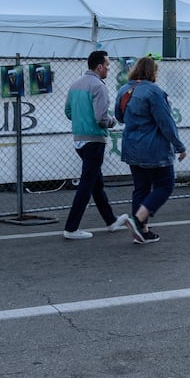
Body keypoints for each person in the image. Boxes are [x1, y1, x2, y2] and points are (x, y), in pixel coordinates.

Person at [114, 56, 187, 245]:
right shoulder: (154, 92)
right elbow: (166, 122)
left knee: (141, 187)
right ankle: (138, 220)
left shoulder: (124, 90)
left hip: (131, 146)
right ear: (153, 72)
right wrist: (179, 146)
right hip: (153, 148)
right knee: (165, 185)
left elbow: (119, 117)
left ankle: (143, 232)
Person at [61, 50, 122, 239]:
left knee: (95, 181)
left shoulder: (75, 85)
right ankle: (71, 228)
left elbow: (68, 112)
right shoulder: (99, 86)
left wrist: (82, 119)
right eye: (108, 65)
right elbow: (101, 118)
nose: (109, 69)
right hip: (94, 140)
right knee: (88, 184)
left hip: (79, 139)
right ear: (100, 66)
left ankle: (111, 220)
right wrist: (113, 121)